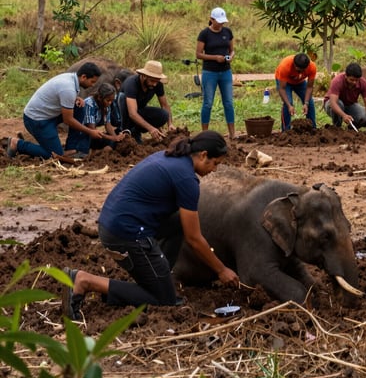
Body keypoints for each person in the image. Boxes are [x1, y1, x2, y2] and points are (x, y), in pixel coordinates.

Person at [61, 131, 239, 321]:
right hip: (125, 234)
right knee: (163, 299)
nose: (215, 169)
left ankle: (158, 275)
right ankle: (85, 281)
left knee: (181, 221)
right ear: (203, 155)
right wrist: (221, 269)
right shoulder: (187, 179)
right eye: (215, 163)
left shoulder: (171, 157)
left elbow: (185, 226)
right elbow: (193, 238)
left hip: (115, 223)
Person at [7, 62, 103, 160]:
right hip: (36, 120)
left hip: (47, 114)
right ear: (83, 77)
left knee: (79, 107)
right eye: (92, 82)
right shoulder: (68, 88)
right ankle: (17, 144)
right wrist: (90, 131)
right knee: (54, 154)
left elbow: (59, 94)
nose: (92, 85)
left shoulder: (71, 78)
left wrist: (75, 98)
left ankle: (71, 147)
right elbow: (68, 120)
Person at [196, 7, 236, 138]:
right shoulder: (204, 34)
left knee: (228, 102)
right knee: (208, 103)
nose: (221, 24)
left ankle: (232, 133)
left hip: (225, 72)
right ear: (211, 19)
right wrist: (215, 58)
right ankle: (205, 133)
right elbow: (198, 54)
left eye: (223, 22)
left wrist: (230, 57)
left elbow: (232, 50)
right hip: (210, 72)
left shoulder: (227, 32)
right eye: (218, 21)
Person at [63, 82, 128, 159]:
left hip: (93, 136)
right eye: (108, 100)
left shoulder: (106, 106)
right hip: (83, 135)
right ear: (100, 97)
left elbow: (108, 125)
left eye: (112, 100)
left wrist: (116, 138)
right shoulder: (89, 104)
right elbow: (92, 130)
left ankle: (95, 152)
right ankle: (91, 153)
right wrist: (112, 138)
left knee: (113, 141)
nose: (110, 103)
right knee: (83, 153)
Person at [119, 60, 174, 142]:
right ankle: (125, 132)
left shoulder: (157, 84)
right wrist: (151, 128)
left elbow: (165, 105)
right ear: (144, 76)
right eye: (152, 81)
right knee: (122, 97)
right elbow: (132, 113)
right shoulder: (131, 83)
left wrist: (170, 124)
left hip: (139, 111)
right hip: (122, 115)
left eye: (157, 81)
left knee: (164, 115)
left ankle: (135, 131)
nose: (155, 84)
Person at [323, 62, 366, 130]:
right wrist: (344, 115)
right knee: (339, 104)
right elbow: (333, 103)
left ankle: (351, 130)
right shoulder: (337, 81)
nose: (354, 82)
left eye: (356, 80)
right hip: (331, 104)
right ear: (346, 76)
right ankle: (337, 128)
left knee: (364, 116)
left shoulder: (363, 83)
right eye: (351, 80)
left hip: (349, 105)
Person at [275, 52, 317, 131]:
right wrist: (289, 106)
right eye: (298, 70)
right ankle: (286, 131)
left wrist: (306, 103)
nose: (300, 73)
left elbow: (309, 87)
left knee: (310, 103)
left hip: (299, 82)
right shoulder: (285, 66)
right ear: (294, 64)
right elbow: (282, 89)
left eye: (302, 71)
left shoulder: (312, 67)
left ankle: (312, 128)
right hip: (285, 83)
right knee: (288, 103)